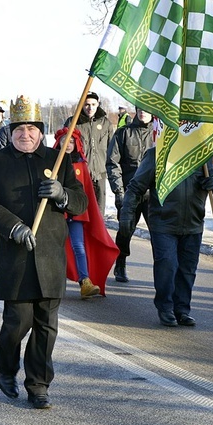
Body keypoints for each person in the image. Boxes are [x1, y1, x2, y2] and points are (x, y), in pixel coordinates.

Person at [0, 95, 87, 409]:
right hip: (16, 256)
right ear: (10, 132)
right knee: (17, 323)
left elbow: (81, 202)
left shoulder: (58, 159)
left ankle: (38, 385)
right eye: (19, 128)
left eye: (32, 128)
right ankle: (6, 367)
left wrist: (63, 194)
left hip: (50, 255)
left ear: (40, 130)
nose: (26, 134)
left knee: (47, 326)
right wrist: (14, 227)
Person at [120, 147, 213, 327]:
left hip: (193, 223)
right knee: (167, 265)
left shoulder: (202, 154)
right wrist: (127, 214)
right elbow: (136, 187)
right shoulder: (157, 154)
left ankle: (182, 310)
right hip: (163, 223)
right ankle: (165, 308)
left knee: (187, 270)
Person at [53, 127, 119, 298]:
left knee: (78, 246)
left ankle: (85, 281)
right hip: (55, 213)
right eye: (64, 140)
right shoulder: (52, 163)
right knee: (55, 247)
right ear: (58, 142)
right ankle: (53, 283)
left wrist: (86, 210)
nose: (68, 144)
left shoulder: (81, 165)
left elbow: (86, 191)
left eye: (72, 141)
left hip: (76, 214)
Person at [106, 106, 154, 283]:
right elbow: (112, 163)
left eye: (146, 108)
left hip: (153, 193)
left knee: (159, 234)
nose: (143, 111)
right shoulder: (123, 133)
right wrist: (119, 191)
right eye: (139, 108)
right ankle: (121, 262)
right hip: (129, 192)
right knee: (125, 229)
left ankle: (161, 270)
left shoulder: (160, 134)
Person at [63, 92, 114, 215]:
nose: (90, 108)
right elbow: (64, 148)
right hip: (80, 173)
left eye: (93, 104)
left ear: (98, 104)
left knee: (99, 211)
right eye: (86, 104)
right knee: (82, 211)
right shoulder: (73, 122)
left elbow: (112, 148)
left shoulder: (105, 123)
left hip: (100, 173)